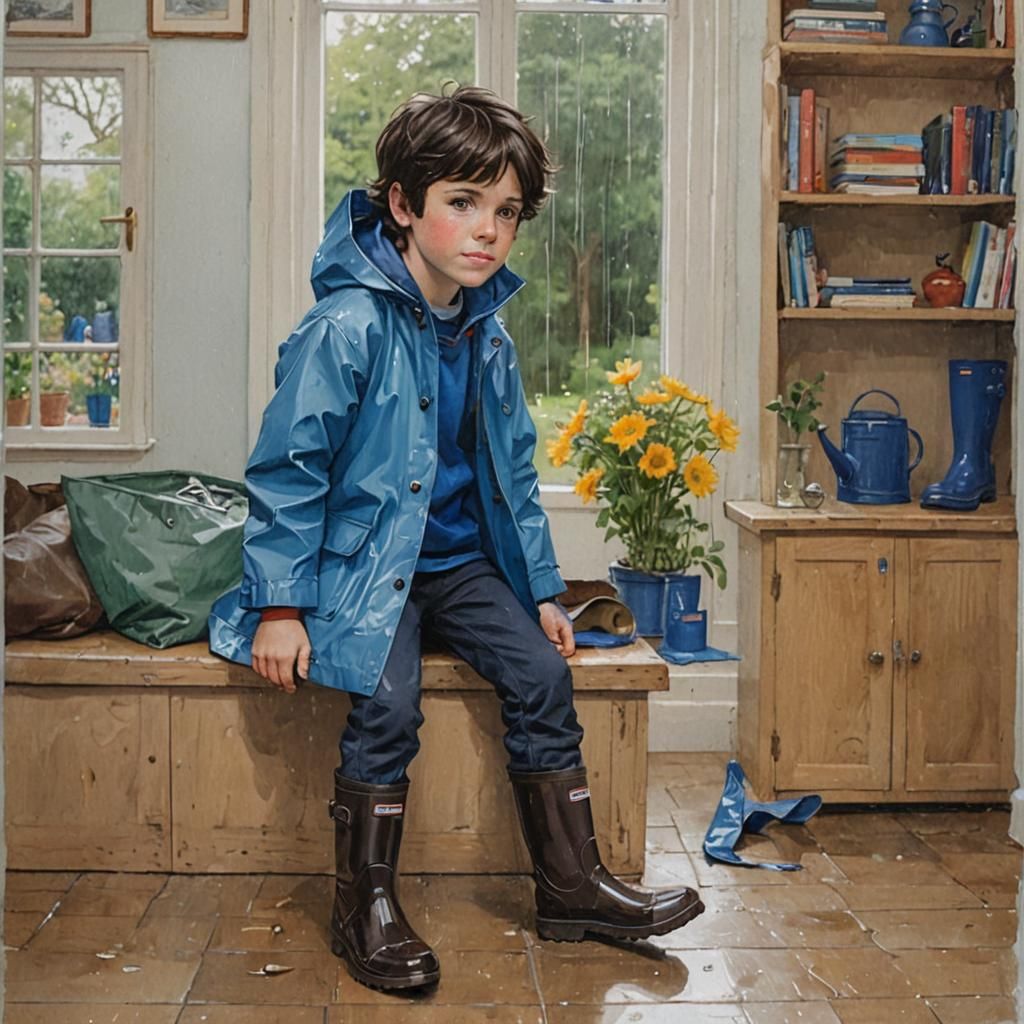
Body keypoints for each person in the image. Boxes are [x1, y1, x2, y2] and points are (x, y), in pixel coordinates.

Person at [209, 85, 704, 993]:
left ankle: (572, 886)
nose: (487, 230)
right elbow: (288, 472)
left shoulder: (489, 335)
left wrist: (545, 593)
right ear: (403, 205)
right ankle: (365, 906)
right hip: (362, 574)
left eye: (506, 211)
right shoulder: (343, 327)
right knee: (388, 704)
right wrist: (281, 604)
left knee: (543, 672)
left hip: (458, 568)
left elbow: (511, 479)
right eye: (462, 203)